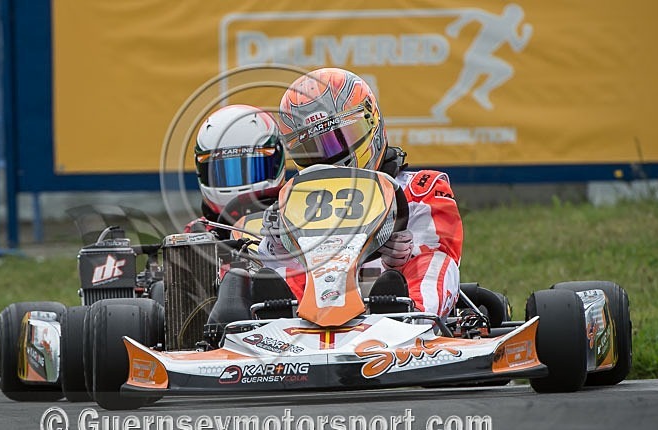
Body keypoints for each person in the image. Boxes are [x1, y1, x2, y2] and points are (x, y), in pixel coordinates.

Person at [263, 67, 463, 318]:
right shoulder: (298, 201)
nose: (331, 158)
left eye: (340, 140)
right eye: (314, 149)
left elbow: (439, 251)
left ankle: (416, 317)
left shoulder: (420, 189)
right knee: (270, 273)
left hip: (393, 305)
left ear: (372, 122)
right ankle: (263, 326)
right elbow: (272, 265)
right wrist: (276, 245)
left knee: (432, 262)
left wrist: (396, 260)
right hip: (311, 316)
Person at [186, 104, 287, 236]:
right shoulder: (198, 233)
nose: (237, 184)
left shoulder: (294, 215)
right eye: (222, 173)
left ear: (276, 161)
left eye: (251, 169)